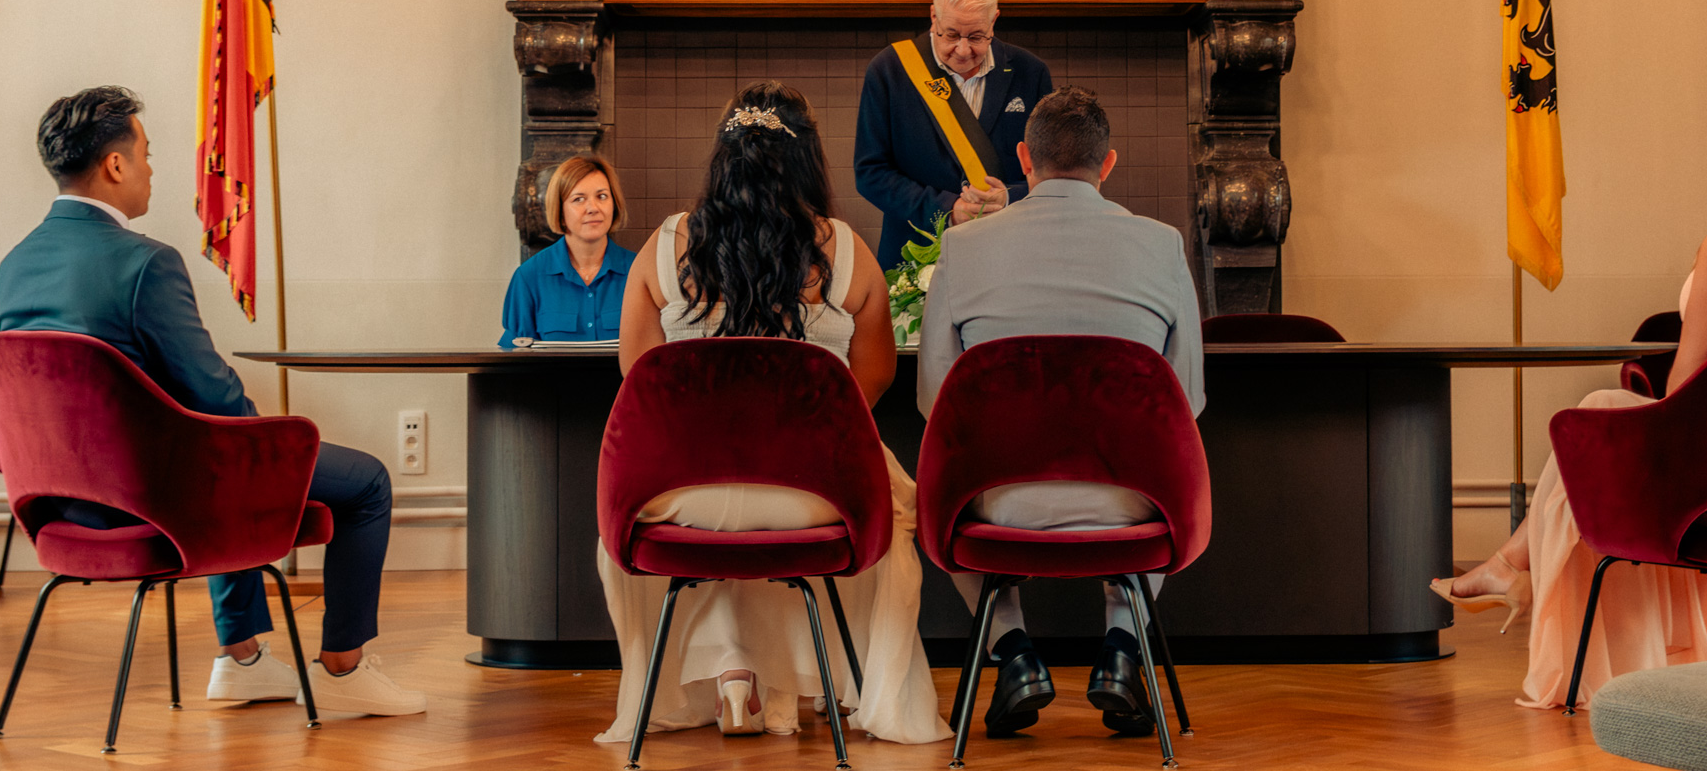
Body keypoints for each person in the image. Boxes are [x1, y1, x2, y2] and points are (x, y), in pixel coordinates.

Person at [1432, 77, 1707, 710]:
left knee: (1596, 417)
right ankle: (1512, 564)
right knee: (1599, 424)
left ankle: (1513, 567)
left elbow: (1682, 396)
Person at [0, 86, 425, 717]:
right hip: (153, 502)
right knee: (362, 481)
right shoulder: (144, 263)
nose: (151, 169)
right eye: (146, 153)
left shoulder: (15, 265)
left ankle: (242, 660)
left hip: (62, 505)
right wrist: (266, 449)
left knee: (211, 449)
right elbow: (213, 396)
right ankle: (343, 670)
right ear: (114, 165)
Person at [597, 82, 950, 747]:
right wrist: (795, 441)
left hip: (682, 497)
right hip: (814, 498)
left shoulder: (662, 247)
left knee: (715, 505)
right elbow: (869, 380)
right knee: (893, 503)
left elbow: (639, 380)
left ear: (721, 155)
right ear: (808, 158)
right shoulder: (847, 253)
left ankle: (735, 674)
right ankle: (849, 687)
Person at [916, 86, 1205, 739]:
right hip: (1135, 502)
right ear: (1109, 165)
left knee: (942, 483)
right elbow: (1186, 399)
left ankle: (1014, 652)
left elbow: (936, 399)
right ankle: (1123, 649)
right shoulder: (1162, 245)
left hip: (1000, 504)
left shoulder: (963, 249)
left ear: (1024, 158)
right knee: (1167, 464)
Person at [855, 0, 1055, 269]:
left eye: (976, 36)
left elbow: (1051, 172)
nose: (962, 50)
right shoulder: (889, 70)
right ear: (933, 16)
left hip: (1007, 254)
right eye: (951, 35)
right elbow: (870, 173)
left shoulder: (1031, 72)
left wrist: (1008, 198)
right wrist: (946, 210)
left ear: (994, 20)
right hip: (914, 257)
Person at [499, 153, 635, 345]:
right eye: (578, 199)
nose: (593, 208)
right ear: (560, 211)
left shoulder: (639, 272)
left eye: (602, 196)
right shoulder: (529, 277)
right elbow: (515, 356)